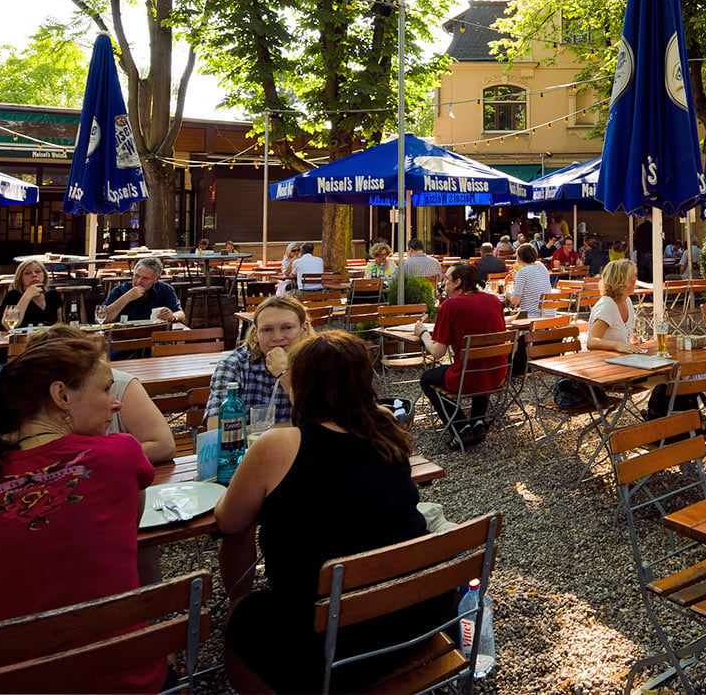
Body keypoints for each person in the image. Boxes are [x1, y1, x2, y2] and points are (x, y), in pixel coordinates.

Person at [0, 329, 164, 692]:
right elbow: (120, 538)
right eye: (104, 389)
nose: (116, 404)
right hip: (128, 678)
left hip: (3, 684)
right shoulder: (121, 454)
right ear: (61, 395)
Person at [215, 330, 451, 692]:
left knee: (240, 616)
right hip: (415, 617)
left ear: (300, 382)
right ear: (364, 380)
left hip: (326, 641)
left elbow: (229, 521)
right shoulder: (385, 427)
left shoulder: (278, 445)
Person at [21, 325, 176, 464]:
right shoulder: (19, 414)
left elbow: (164, 445)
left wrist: (103, 457)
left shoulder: (119, 383)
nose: (116, 404)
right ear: (61, 395)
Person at [414, 264, 508, 448]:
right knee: (478, 361)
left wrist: (423, 333)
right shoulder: (494, 301)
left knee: (427, 379)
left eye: (446, 281)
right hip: (497, 375)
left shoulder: (450, 305)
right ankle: (478, 421)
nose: (444, 284)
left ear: (458, 282)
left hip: (466, 379)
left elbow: (437, 353)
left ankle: (461, 427)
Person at [207, 294, 312, 428]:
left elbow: (324, 423)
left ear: (304, 329)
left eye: (287, 328)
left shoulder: (319, 361)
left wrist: (284, 373)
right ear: (256, 334)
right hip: (249, 448)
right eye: (267, 330)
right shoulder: (234, 364)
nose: (277, 337)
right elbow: (217, 428)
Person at [100, 257, 184, 324]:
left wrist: (172, 316)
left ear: (156, 279)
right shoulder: (120, 290)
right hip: (126, 338)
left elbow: (181, 314)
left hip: (155, 335)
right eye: (136, 276)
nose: (139, 281)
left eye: (145, 278)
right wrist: (127, 297)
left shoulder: (165, 289)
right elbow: (101, 319)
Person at [587, 259, 642, 353]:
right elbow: (591, 342)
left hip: (622, 360)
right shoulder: (607, 306)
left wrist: (636, 340)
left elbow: (629, 333)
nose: (636, 279)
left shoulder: (627, 301)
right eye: (634, 276)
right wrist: (617, 345)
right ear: (623, 280)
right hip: (604, 362)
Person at [0, 258, 65, 329]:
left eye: (38, 271)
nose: (34, 275)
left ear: (44, 276)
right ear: (20, 278)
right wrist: (28, 295)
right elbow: (10, 326)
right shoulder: (13, 295)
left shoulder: (53, 295)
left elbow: (59, 326)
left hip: (47, 339)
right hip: (20, 339)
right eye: (28, 273)